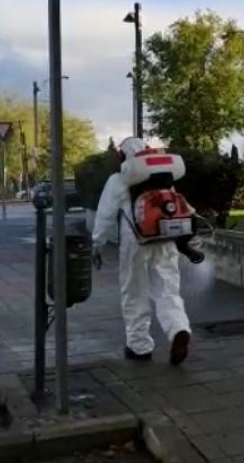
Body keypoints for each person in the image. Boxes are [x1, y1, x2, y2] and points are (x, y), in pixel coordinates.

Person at [91, 137, 192, 365]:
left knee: (134, 292)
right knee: (168, 291)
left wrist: (97, 245)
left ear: (122, 157)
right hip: (164, 237)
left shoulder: (119, 179)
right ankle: (178, 329)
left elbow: (105, 216)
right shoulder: (164, 176)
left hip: (134, 241)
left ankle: (139, 347)